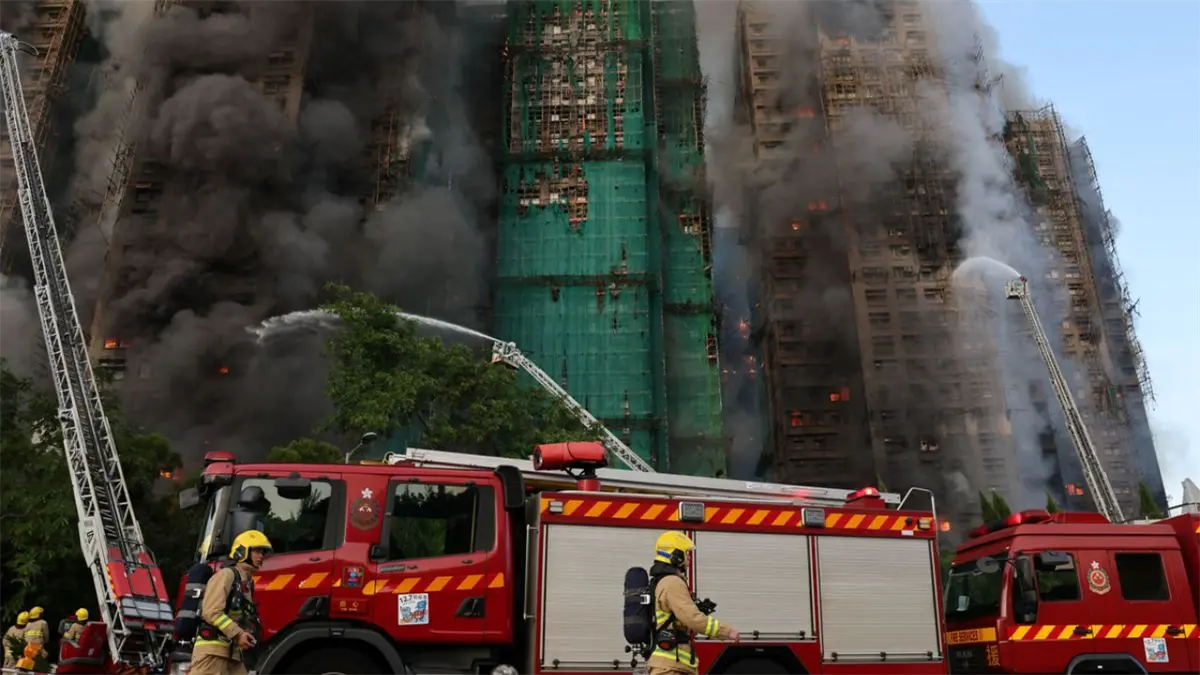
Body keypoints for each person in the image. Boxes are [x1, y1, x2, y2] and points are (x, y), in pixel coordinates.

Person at [647, 531, 739, 675]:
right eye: (686, 553)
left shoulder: (662, 581)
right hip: (671, 668)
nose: (688, 558)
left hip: (670, 666)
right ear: (676, 555)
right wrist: (726, 632)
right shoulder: (672, 583)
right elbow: (692, 618)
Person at [191, 530, 272, 675]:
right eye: (257, 551)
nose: (261, 556)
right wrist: (237, 634)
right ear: (242, 551)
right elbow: (211, 612)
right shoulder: (226, 575)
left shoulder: (247, 582)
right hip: (212, 653)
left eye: (263, 552)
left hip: (232, 654)